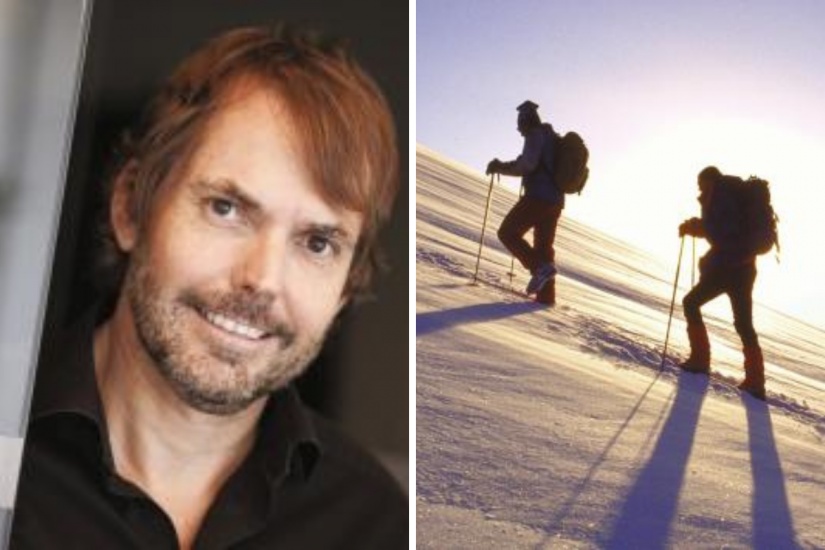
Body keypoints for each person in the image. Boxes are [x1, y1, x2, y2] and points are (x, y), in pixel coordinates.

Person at [10, 25, 407, 549]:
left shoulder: (373, 524)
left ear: (346, 290)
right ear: (130, 207)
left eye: (316, 243)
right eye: (226, 209)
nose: (262, 279)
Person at [678, 166, 766, 400]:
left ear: (709, 180)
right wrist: (698, 226)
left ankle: (700, 360)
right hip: (744, 268)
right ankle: (756, 381)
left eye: (700, 183)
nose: (699, 189)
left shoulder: (721, 196)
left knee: (691, 303)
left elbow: (721, 232)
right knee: (744, 324)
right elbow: (723, 230)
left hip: (726, 269)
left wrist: (695, 226)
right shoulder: (729, 195)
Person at [486, 100, 564, 305]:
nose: (519, 129)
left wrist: (499, 167)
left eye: (520, 123)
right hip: (555, 201)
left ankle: (539, 268)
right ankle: (546, 298)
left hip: (538, 196)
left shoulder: (535, 135)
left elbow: (526, 165)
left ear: (526, 120)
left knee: (507, 233)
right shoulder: (552, 137)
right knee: (543, 247)